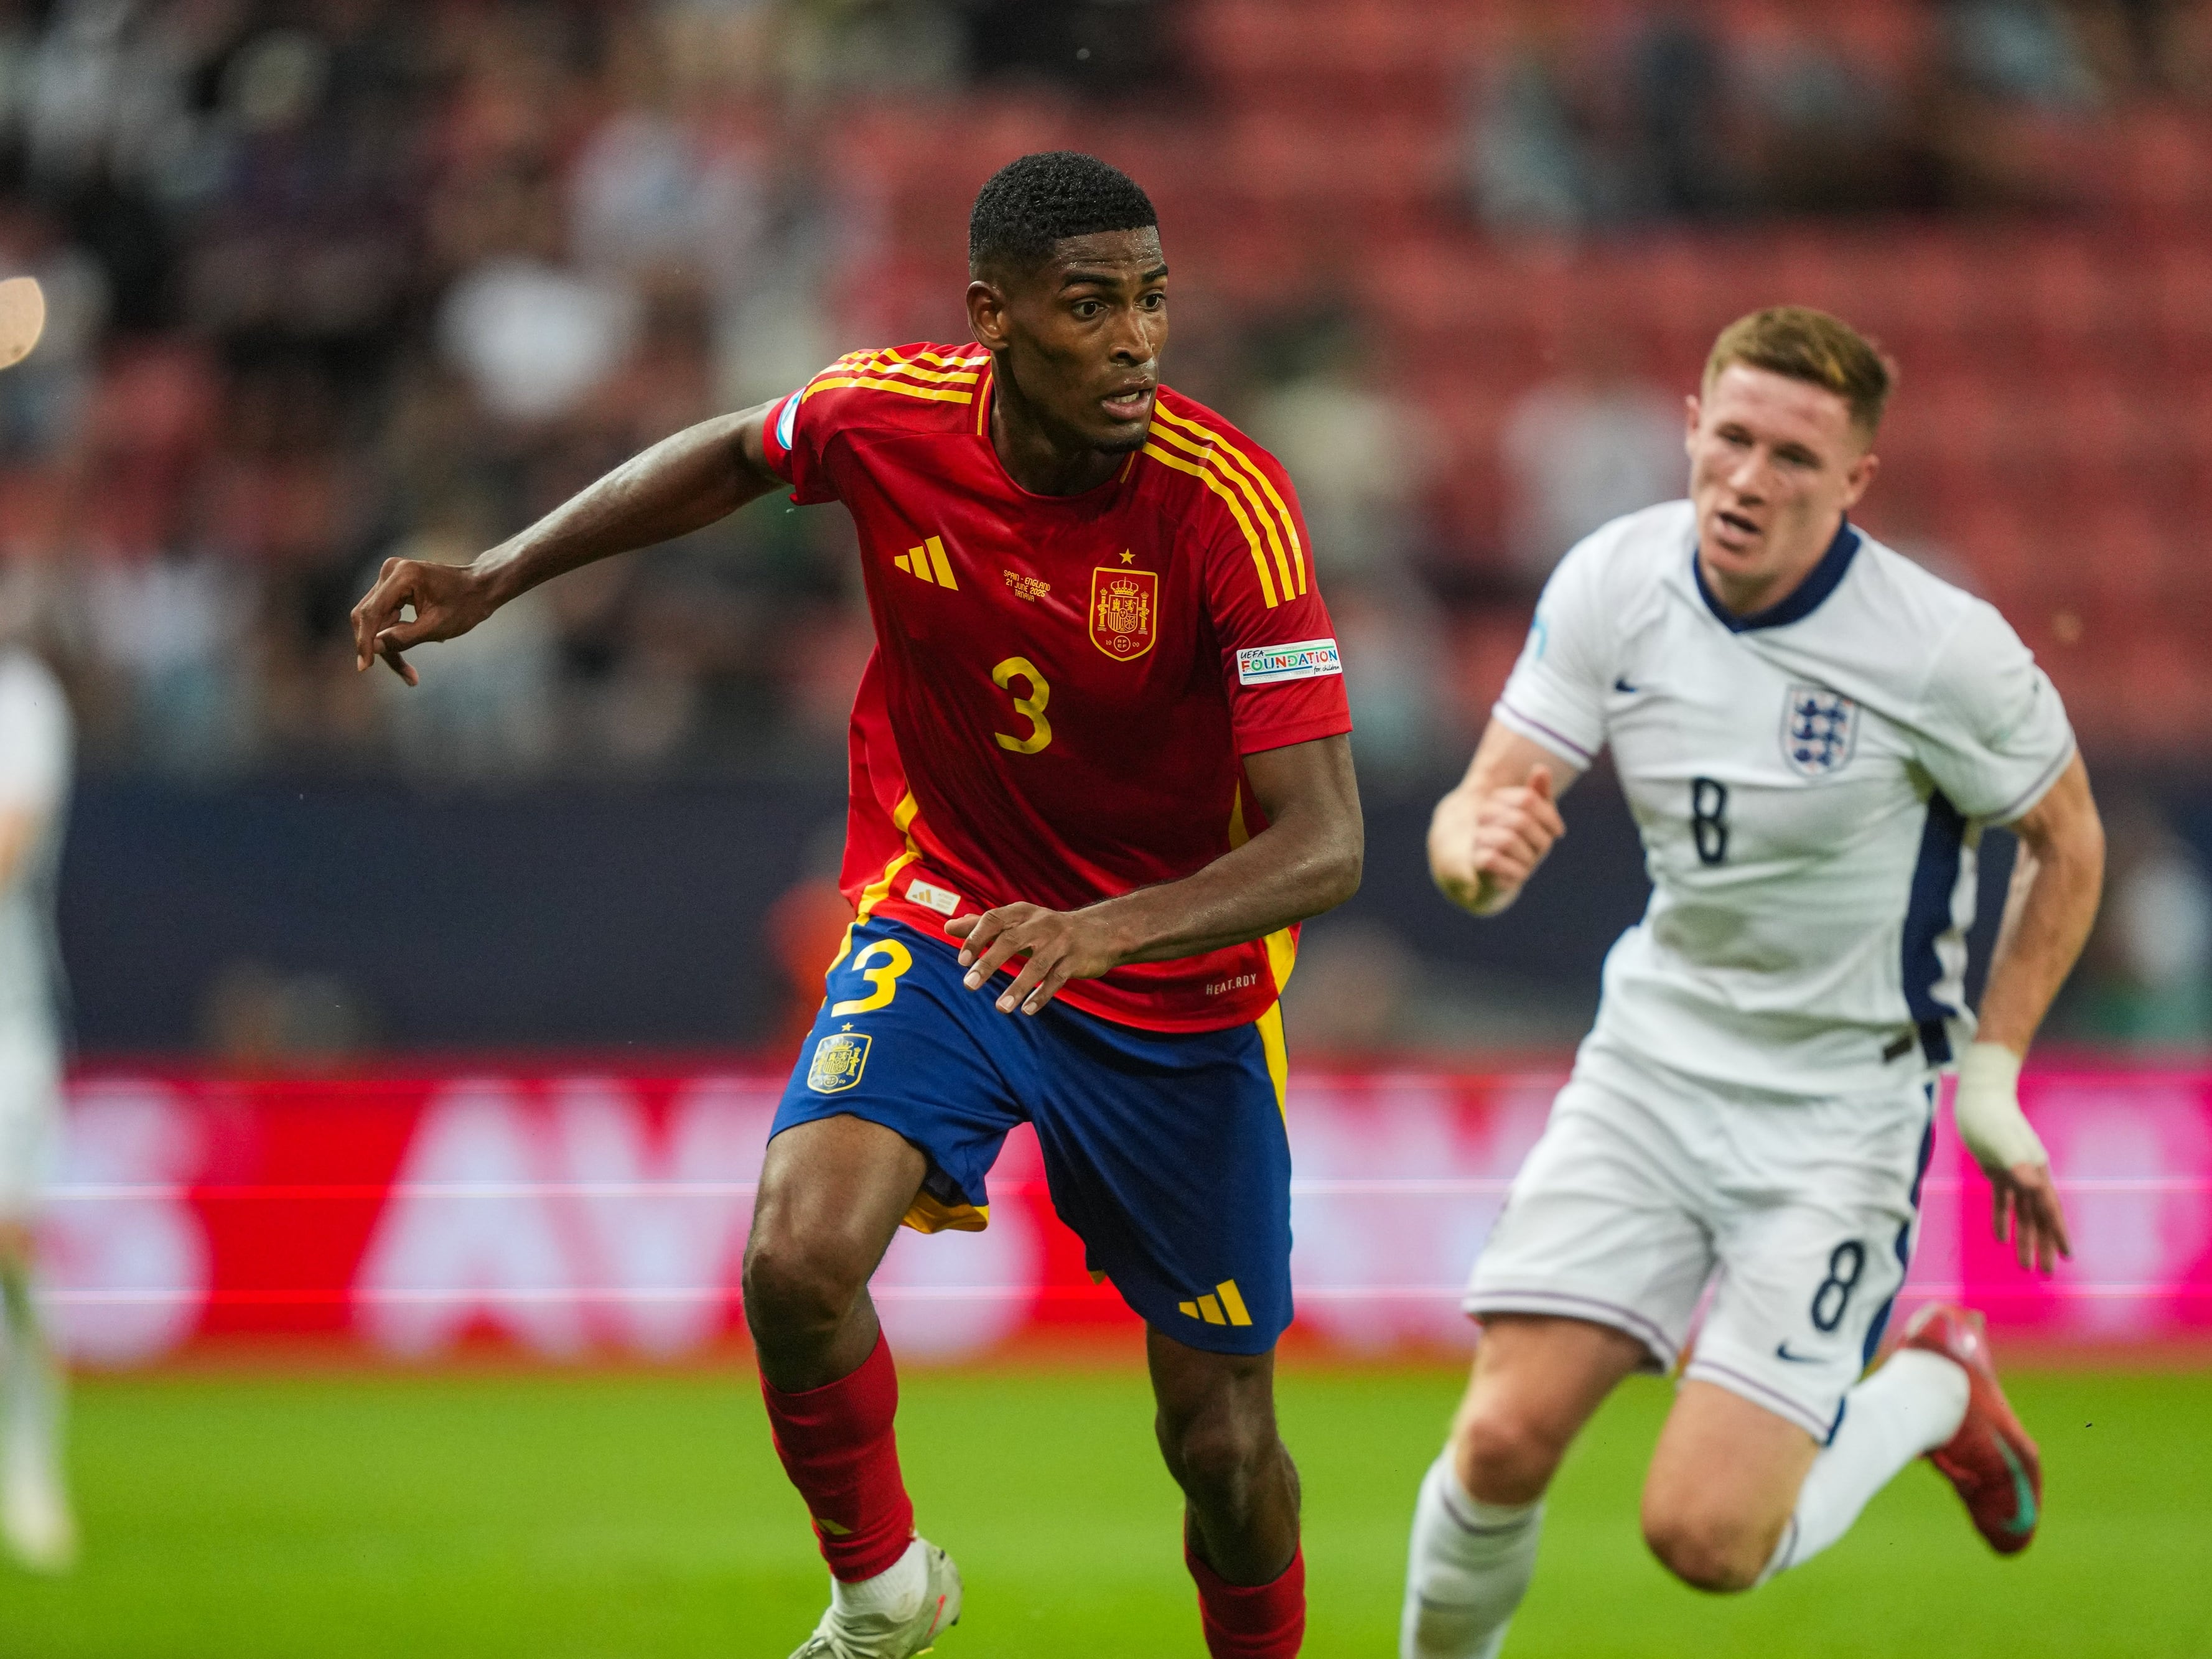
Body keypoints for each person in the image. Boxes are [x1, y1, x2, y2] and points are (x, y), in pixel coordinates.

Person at [351, 151, 1360, 1659]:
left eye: (1151, 301)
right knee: (793, 1260)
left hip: (1171, 989)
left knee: (1219, 1449)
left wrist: (1105, 929)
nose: (1137, 339)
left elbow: (1325, 844)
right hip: (949, 920)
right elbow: (735, 452)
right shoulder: (891, 413)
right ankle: (882, 1592)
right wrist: (502, 571)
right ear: (994, 317)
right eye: (1090, 306)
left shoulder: (1227, 503)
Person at [1401, 307, 2104, 1658]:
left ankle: (1929, 1393)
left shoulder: (1939, 648)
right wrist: (1469, 859)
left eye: (1791, 457)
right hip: (1651, 1070)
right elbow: (1477, 810)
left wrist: (1996, 1072)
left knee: (1705, 1541)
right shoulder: (1615, 578)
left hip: (1836, 1114)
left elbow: (2066, 837)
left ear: (1854, 484)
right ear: (1689, 429)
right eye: (1728, 439)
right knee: (1495, 1439)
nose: (1746, 479)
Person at [0, 594, 77, 1572]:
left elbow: (9, 839)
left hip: (3, 1028)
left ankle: (30, 1464)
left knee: (10, 1248)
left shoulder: (21, 701)